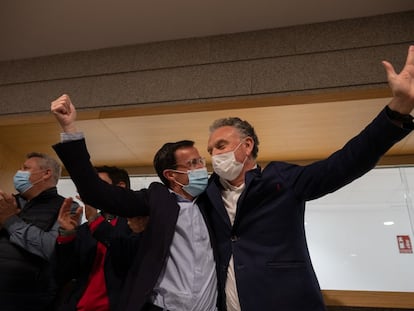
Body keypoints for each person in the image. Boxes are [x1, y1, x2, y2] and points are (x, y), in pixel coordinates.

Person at [202, 45, 414, 310]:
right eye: (211, 150)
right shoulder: (206, 194)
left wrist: (398, 110)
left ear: (246, 146)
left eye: (221, 145)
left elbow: (345, 163)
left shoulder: (281, 180)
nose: (214, 155)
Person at [50, 100, 219, 311]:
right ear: (171, 175)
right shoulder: (156, 201)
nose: (202, 168)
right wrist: (69, 128)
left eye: (201, 161)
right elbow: (95, 191)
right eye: (193, 164)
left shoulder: (212, 201)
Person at [55, 165, 148, 311]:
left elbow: (129, 258)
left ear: (120, 187)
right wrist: (68, 235)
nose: (93, 192)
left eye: (98, 186)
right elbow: (64, 273)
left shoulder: (138, 222)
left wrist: (94, 220)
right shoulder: (86, 229)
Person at [0, 152, 66, 311]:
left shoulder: (65, 208)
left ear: (46, 174)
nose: (18, 173)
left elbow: (51, 248)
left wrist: (10, 220)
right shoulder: (7, 203)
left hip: (28, 300)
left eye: (25, 168)